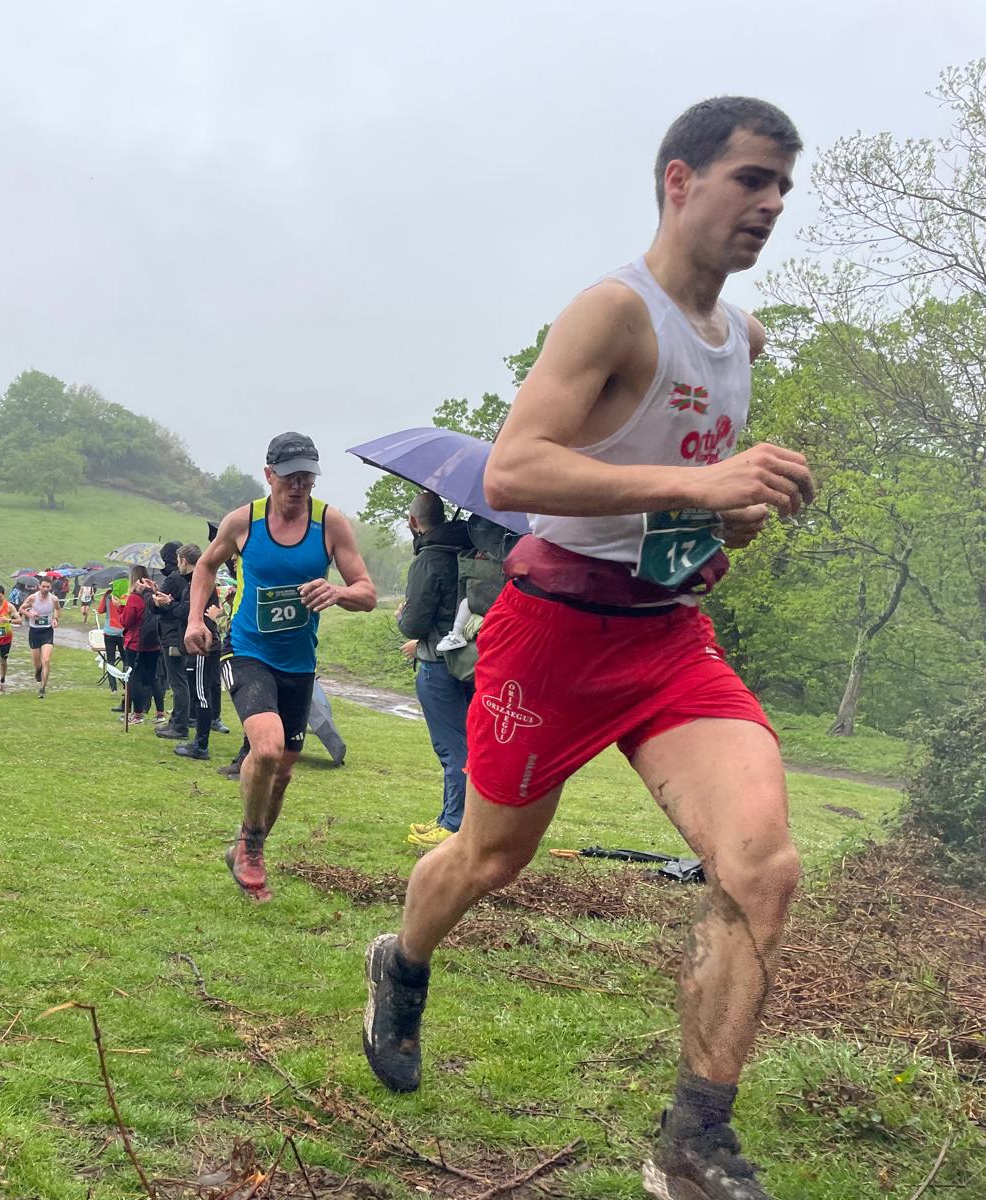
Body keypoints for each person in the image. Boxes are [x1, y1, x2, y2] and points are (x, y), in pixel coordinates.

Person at [362, 99, 812, 1200]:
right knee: (489, 857)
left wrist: (728, 514)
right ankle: (401, 961)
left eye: (782, 189)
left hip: (667, 642)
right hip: (551, 637)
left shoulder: (741, 338)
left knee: (761, 868)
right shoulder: (613, 314)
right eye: (750, 179)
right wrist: (701, 483)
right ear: (678, 180)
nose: (769, 205)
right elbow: (515, 472)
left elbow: (679, 498)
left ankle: (693, 1143)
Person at [186, 432, 376, 902]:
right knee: (266, 750)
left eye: (306, 475)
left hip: (298, 662)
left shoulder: (330, 524)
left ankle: (246, 848)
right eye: (289, 476)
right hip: (247, 650)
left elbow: (367, 593)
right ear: (269, 474)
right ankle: (250, 844)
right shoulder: (243, 521)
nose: (298, 485)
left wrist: (338, 593)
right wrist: (195, 618)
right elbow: (206, 566)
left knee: (284, 771)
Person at [394, 493, 473, 846]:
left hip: (436, 665)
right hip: (470, 660)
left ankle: (454, 823)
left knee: (452, 746)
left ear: (414, 522)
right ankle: (448, 815)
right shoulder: (469, 552)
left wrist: (403, 617)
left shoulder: (430, 560)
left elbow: (414, 624)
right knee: (466, 741)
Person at [174, 546, 223, 762]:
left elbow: (192, 611)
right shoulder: (195, 583)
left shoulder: (201, 582)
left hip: (203, 644)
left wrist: (169, 605)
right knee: (202, 692)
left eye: (178, 560)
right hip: (203, 642)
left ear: (184, 561)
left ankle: (201, 745)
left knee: (202, 694)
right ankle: (199, 741)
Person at [152, 542, 194, 739]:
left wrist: (150, 595)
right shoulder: (194, 578)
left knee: (177, 681)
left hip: (172, 634)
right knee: (182, 680)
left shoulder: (174, 578)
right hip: (183, 634)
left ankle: (179, 725)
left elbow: (157, 606)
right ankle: (180, 721)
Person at [119, 566, 161, 725]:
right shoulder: (154, 595)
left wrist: (120, 608)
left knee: (134, 678)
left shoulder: (135, 598)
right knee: (152, 677)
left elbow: (126, 621)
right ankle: (160, 712)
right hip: (154, 643)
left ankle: (137, 714)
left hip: (136, 642)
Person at [20, 576, 59, 700]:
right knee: (38, 664)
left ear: (50, 587)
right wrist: (29, 614)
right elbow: (21, 609)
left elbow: (58, 609)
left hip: (47, 631)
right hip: (34, 632)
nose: (46, 589)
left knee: (46, 660)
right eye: (43, 586)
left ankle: (43, 688)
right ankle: (38, 671)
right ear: (39, 586)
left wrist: (55, 619)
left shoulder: (54, 599)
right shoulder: (32, 598)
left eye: (48, 587)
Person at [96, 581, 128, 708]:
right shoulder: (126, 596)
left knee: (110, 660)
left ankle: (113, 688)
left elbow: (100, 610)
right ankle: (126, 686)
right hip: (123, 631)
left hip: (109, 631)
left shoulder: (108, 595)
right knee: (126, 660)